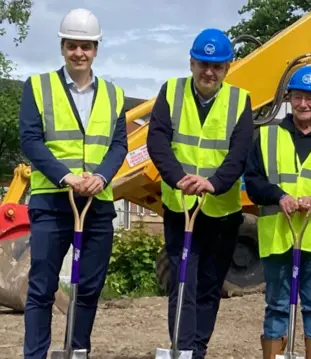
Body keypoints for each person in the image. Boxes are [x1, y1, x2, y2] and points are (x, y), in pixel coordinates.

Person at [18, 8, 128, 359]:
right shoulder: (38, 87)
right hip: (52, 200)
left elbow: (119, 145)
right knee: (42, 287)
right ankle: (35, 355)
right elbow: (31, 140)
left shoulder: (114, 94)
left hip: (97, 204)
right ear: (62, 47)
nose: (79, 52)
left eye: (86, 46)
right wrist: (64, 176)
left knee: (89, 288)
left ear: (96, 48)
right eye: (72, 45)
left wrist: (101, 177)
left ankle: (77, 351)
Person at [146, 28, 254, 358]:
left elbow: (240, 153)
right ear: (191, 62)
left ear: (227, 68)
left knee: (209, 287)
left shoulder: (239, 100)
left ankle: (198, 350)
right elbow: (158, 141)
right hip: (181, 208)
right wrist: (178, 177)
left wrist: (214, 183)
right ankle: (183, 349)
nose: (209, 71)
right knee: (182, 284)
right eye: (203, 63)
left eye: (217, 66)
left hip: (221, 210)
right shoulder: (171, 92)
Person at [244, 65, 311, 358]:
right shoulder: (265, 139)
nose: (304, 104)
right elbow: (253, 183)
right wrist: (279, 197)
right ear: (289, 99)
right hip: (277, 236)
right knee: (277, 304)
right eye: (299, 97)